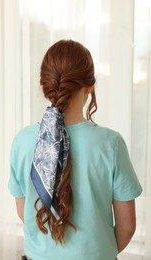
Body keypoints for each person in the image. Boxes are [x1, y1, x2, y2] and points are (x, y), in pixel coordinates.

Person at [8, 39, 142, 260]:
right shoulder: (111, 144)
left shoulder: (22, 141)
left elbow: (25, 213)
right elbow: (127, 227)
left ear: (45, 86)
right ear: (89, 86)